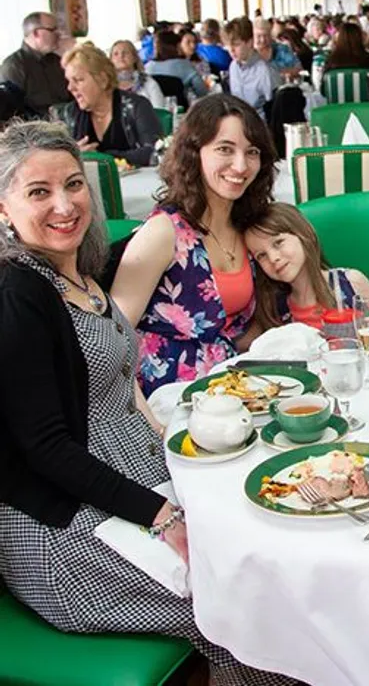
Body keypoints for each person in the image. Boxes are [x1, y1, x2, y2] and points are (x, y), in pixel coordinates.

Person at [0, 120, 292, 686]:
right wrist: (160, 516)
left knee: (267, 557)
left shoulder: (73, 274)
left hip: (128, 486)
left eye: (73, 184)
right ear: (4, 206)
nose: (64, 204)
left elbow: (116, 383)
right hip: (63, 528)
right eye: (39, 192)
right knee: (242, 609)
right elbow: (46, 449)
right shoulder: (18, 296)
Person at [110, 94, 277, 395]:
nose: (240, 166)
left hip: (230, 391)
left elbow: (237, 329)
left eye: (251, 152)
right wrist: (150, 423)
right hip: (167, 397)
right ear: (194, 152)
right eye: (225, 149)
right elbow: (112, 341)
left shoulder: (246, 225)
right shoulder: (164, 232)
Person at [247, 203, 369, 331]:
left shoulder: (351, 283)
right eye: (261, 255)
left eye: (278, 243)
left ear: (304, 234)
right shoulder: (274, 310)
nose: (273, 258)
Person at [58, 44, 161, 167]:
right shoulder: (69, 114)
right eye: (69, 81)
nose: (70, 88)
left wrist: (100, 158)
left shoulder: (137, 106)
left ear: (102, 79)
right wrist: (72, 156)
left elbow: (155, 151)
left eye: (78, 80)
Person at [0, 11, 71, 117]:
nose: (59, 34)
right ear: (36, 33)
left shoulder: (58, 61)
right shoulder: (13, 66)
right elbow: (12, 113)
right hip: (35, 130)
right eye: (53, 30)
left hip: (68, 123)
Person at [223, 16, 280, 119]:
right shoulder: (233, 66)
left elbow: (274, 111)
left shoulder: (265, 71)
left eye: (236, 45)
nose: (231, 50)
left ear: (249, 42)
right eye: (228, 45)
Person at [145, 30, 209, 103]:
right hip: (182, 109)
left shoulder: (147, 67)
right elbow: (202, 91)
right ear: (177, 46)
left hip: (156, 110)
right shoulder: (184, 65)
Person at [109, 39, 167, 110]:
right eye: (116, 54)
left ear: (134, 57)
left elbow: (159, 111)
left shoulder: (148, 83)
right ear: (111, 60)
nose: (121, 56)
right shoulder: (107, 85)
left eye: (125, 52)